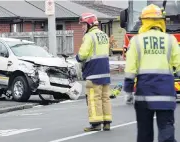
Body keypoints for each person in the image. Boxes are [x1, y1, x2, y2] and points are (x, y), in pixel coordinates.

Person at [123, 4, 180, 142]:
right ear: (161, 21)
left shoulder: (136, 41)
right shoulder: (171, 40)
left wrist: (128, 91)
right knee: (166, 131)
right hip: (166, 95)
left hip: (144, 95)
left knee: (144, 133)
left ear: (144, 21)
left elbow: (130, 69)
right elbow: (178, 66)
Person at [75, 13, 112, 132]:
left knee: (93, 98)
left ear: (90, 24)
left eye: (83, 24)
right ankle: (107, 122)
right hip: (105, 72)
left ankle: (96, 124)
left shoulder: (89, 36)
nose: (82, 27)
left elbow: (83, 54)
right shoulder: (104, 35)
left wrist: (78, 57)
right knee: (105, 97)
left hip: (93, 72)